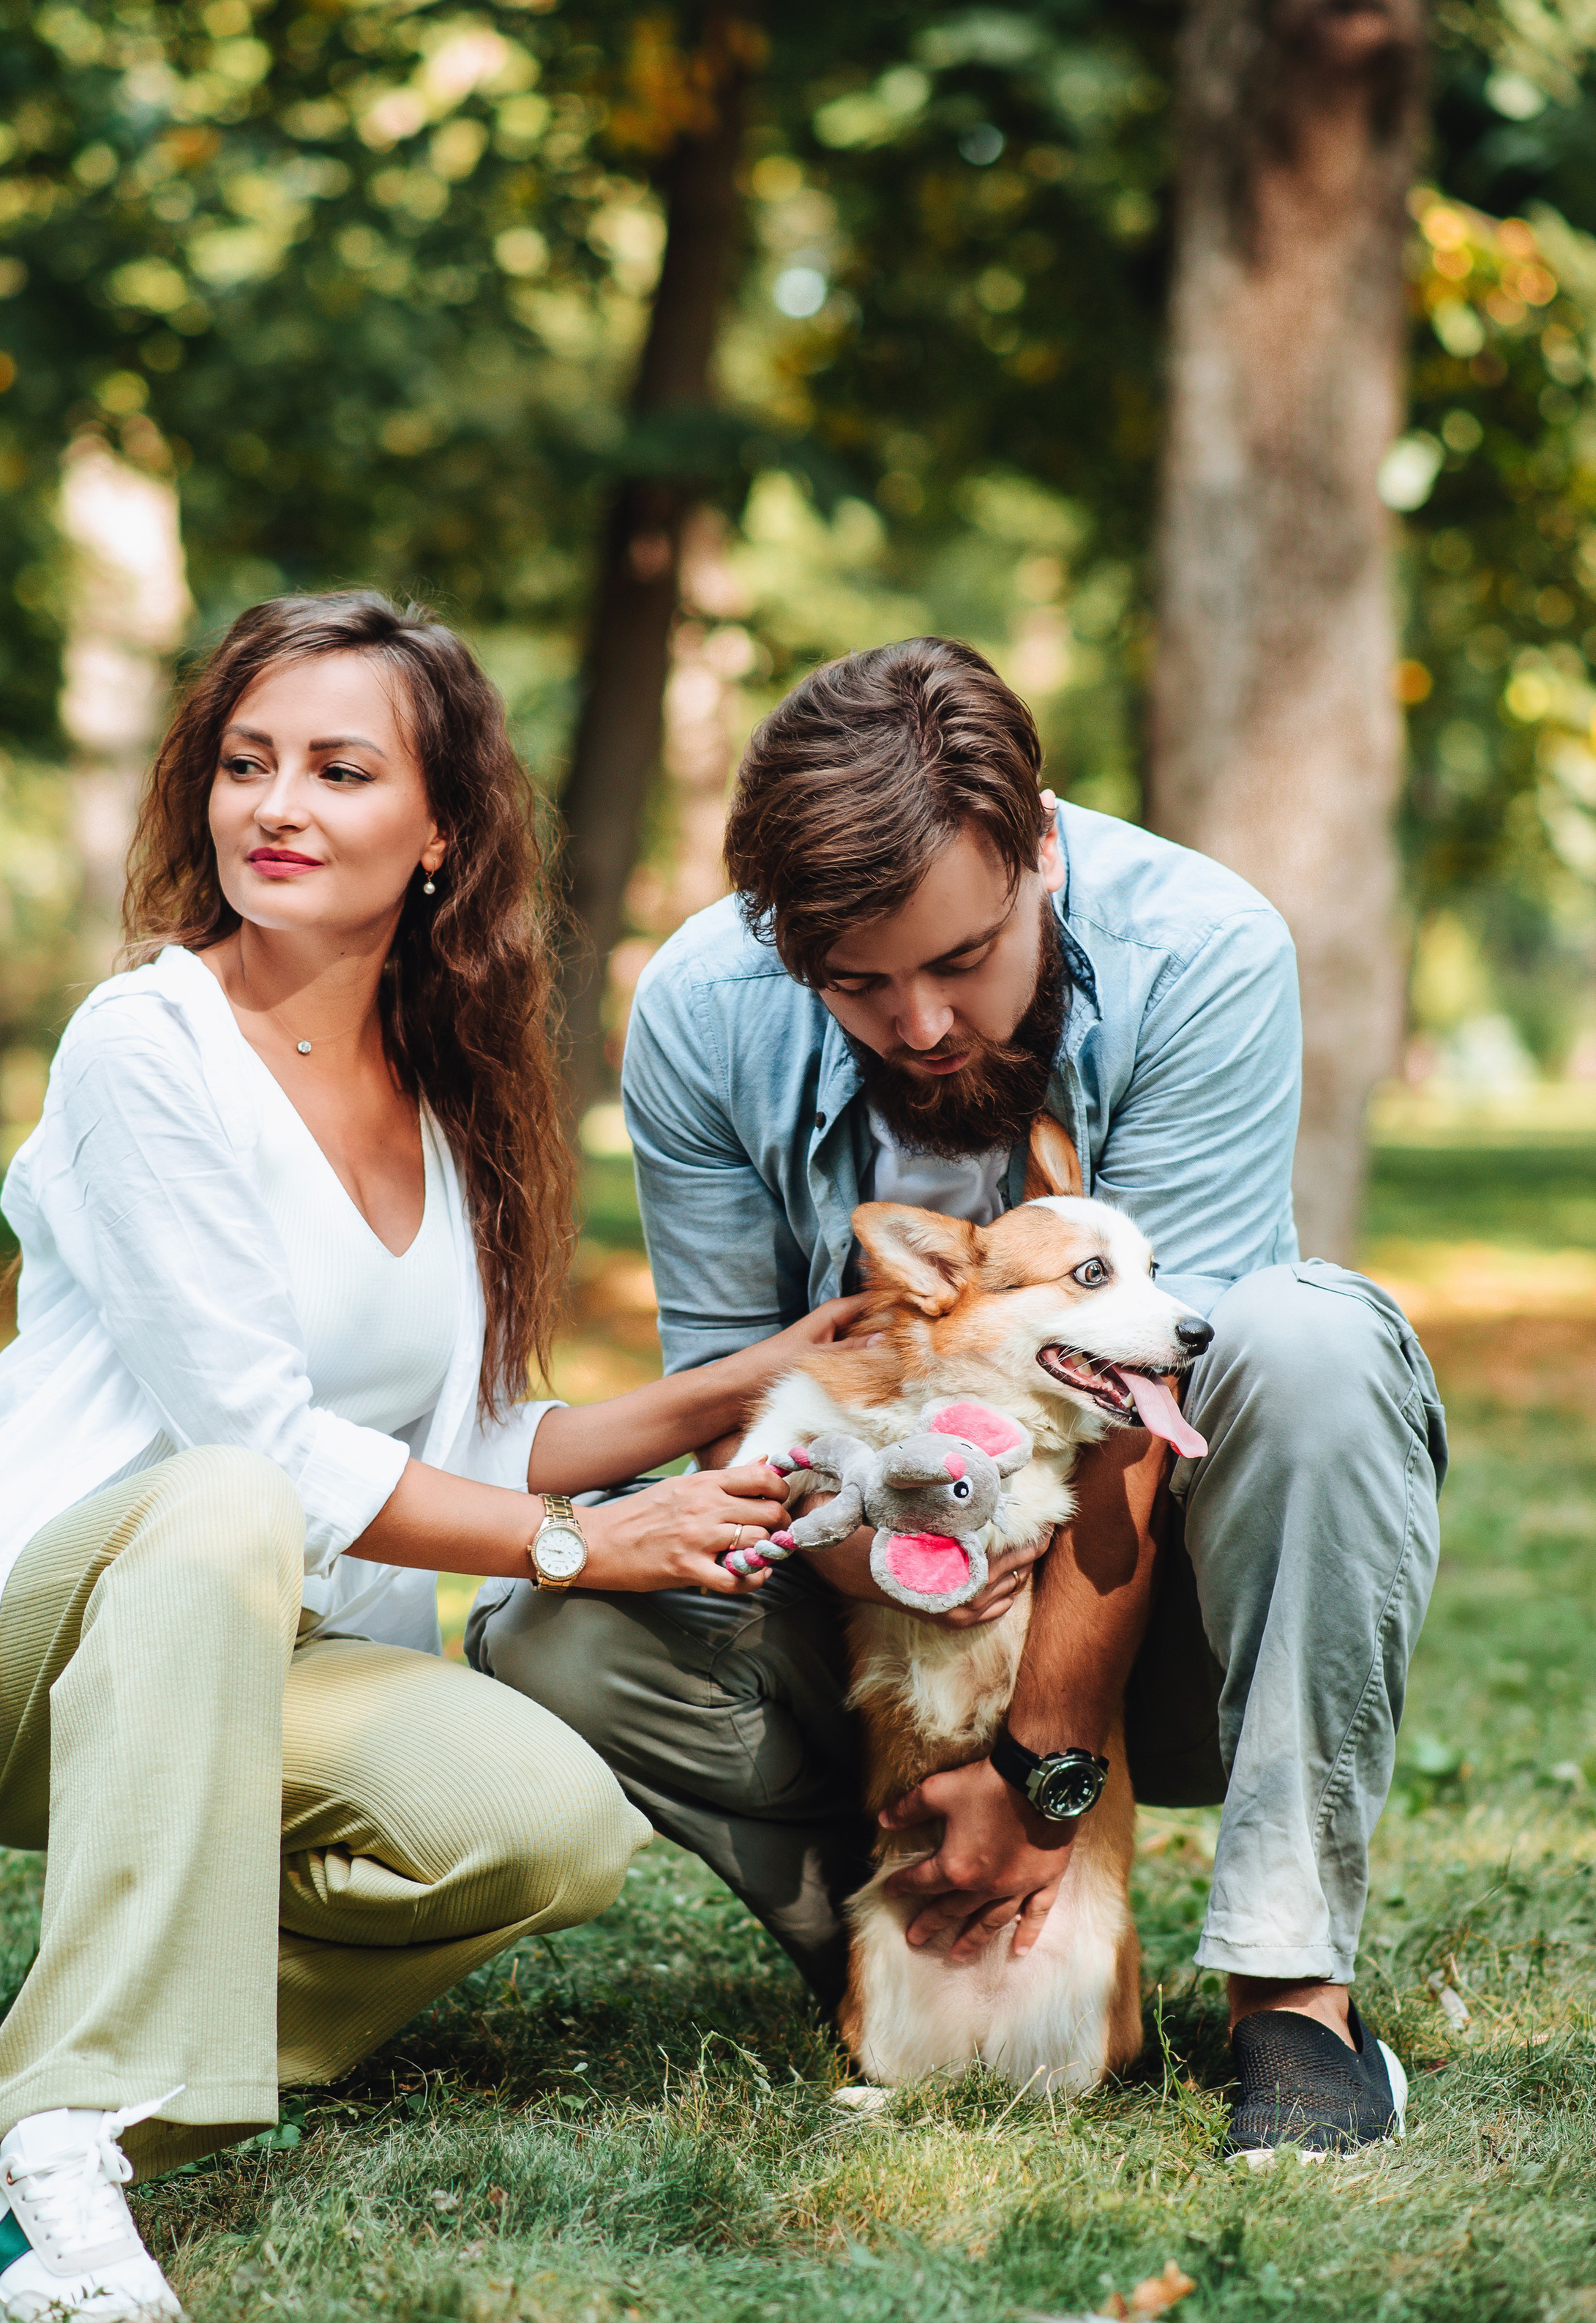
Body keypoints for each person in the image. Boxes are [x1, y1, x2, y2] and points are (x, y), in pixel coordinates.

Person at [0, 591, 847, 2323]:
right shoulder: (149, 1043)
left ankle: (134, 2077)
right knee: (227, 1499)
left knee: (548, 1825)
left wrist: (740, 1383)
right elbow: (263, 1452)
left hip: (270, 1647)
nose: (274, 805)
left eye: (339, 769)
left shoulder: (444, 1088)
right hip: (51, 1632)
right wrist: (586, 1551)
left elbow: (455, 1445)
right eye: (245, 763)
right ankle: (43, 2155)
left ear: (441, 830)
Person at [469, 635, 1446, 2159]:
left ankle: (1290, 2001)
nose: (917, 1024)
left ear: (1036, 851)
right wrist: (884, 1556)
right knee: (560, 1623)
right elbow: (740, 1395)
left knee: (1307, 1344)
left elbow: (1148, 1401)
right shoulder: (703, 1004)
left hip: (1164, 1619)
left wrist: (1040, 1768)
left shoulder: (1202, 948)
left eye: (957, 960)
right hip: (870, 1613)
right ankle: (909, 1919)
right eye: (853, 982)